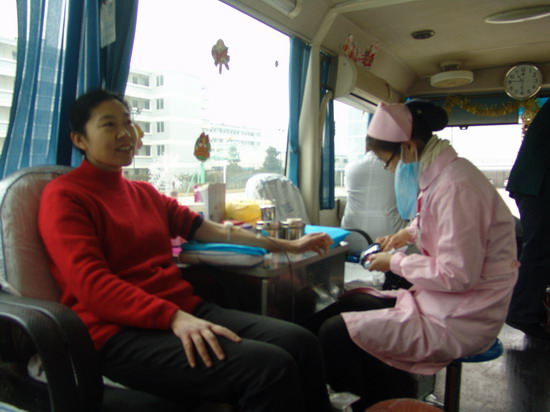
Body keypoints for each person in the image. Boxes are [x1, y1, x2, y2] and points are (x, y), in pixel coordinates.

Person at [38, 89, 333, 412]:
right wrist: (172, 317)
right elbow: (92, 286)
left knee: (302, 343)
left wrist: (290, 244)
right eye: (109, 125)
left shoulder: (145, 193)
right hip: (116, 333)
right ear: (79, 140)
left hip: (180, 310)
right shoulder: (65, 196)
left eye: (127, 122)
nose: (124, 134)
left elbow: (216, 230)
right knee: (270, 368)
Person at [307, 100, 518, 410]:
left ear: (407, 147)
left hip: (464, 315)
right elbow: (433, 221)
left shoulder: (456, 187)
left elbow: (457, 274)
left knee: (335, 332)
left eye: (386, 161)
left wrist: (395, 262)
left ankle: (377, 404)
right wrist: (405, 235)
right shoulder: (442, 174)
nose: (389, 168)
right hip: (445, 301)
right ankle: (387, 394)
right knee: (348, 305)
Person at [505, 98, 550, 342]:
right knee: (540, 249)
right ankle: (522, 311)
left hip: (535, 182)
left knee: (539, 248)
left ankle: (529, 306)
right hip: (538, 183)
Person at [341, 148, 407, 253]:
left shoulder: (350, 167)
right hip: (386, 239)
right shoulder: (398, 168)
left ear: (366, 148)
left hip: (351, 237)